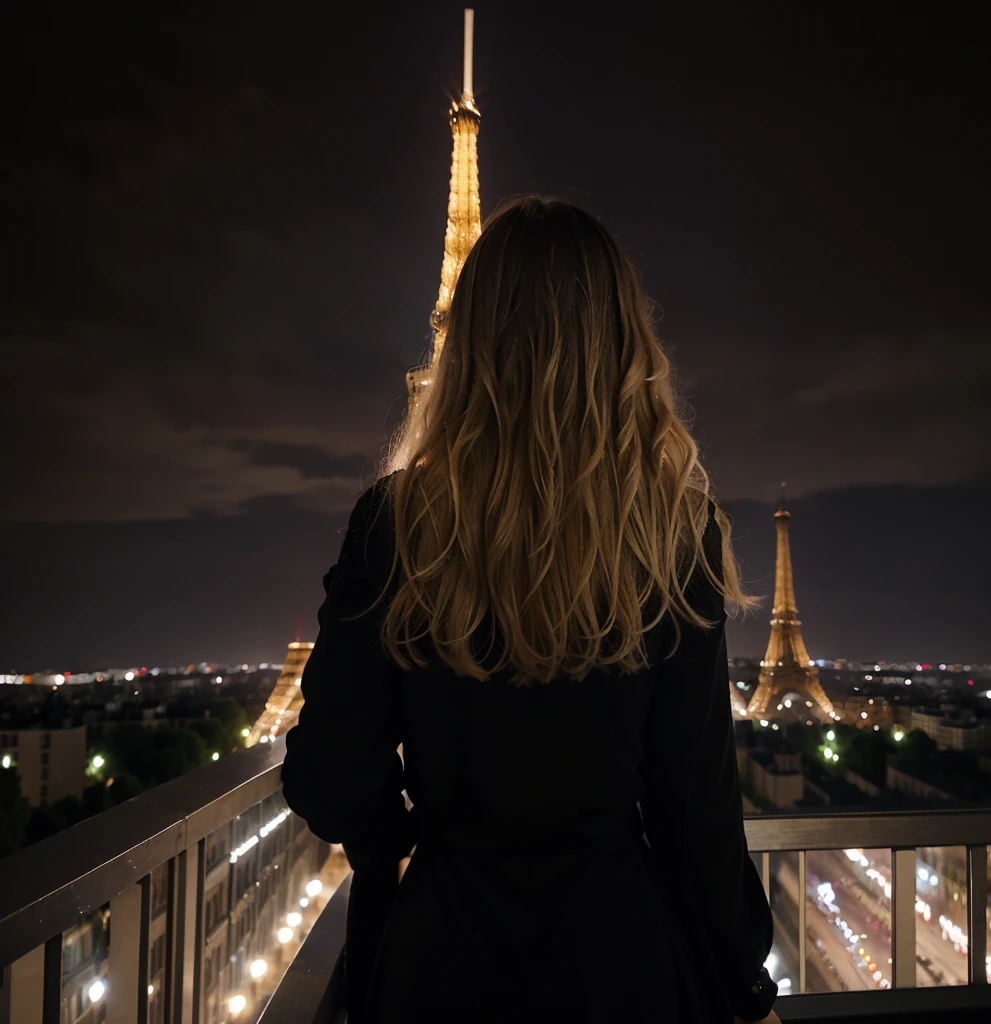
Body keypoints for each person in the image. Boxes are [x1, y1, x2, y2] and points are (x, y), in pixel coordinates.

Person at [282, 196, 780, 1023]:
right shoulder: (669, 531)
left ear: (469, 342)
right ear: (623, 342)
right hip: (621, 964)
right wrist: (744, 985)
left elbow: (330, 777)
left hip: (439, 962)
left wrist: (398, 848)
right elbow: (698, 813)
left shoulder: (395, 525)